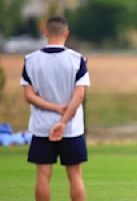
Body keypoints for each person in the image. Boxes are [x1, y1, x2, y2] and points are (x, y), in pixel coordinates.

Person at [20, 16, 90, 201]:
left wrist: (56, 108)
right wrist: (63, 120)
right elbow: (79, 95)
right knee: (75, 176)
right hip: (71, 128)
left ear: (45, 32)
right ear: (66, 33)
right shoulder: (77, 60)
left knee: (42, 175)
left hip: (42, 128)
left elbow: (29, 96)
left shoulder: (30, 60)